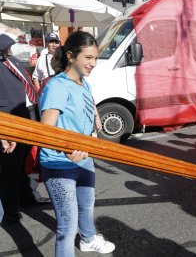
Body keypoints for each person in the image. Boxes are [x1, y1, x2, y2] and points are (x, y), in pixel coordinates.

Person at [39, 31, 114, 256]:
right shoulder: (57, 86)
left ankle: (89, 239)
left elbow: (88, 101)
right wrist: (67, 149)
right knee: (67, 227)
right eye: (88, 58)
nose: (93, 64)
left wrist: (96, 115)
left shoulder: (83, 83)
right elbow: (45, 131)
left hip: (84, 159)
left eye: (95, 58)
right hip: (60, 164)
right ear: (71, 56)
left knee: (86, 207)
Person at [0, 30, 40, 225]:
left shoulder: (12, 60)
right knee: (10, 167)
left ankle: (27, 196)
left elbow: (28, 84)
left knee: (28, 160)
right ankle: (10, 209)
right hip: (10, 122)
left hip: (29, 114)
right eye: (7, 46)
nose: (10, 48)